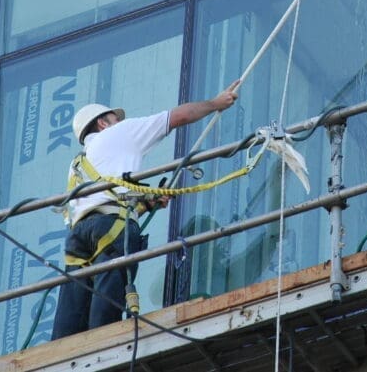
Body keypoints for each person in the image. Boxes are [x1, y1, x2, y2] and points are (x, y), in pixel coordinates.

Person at [51, 80, 240, 340]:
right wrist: (216, 103)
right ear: (102, 123)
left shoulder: (77, 165)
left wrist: (146, 202)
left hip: (77, 239)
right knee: (106, 307)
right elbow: (178, 116)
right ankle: (102, 348)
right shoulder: (120, 132)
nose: (119, 121)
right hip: (111, 229)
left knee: (72, 310)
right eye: (114, 118)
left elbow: (101, 198)